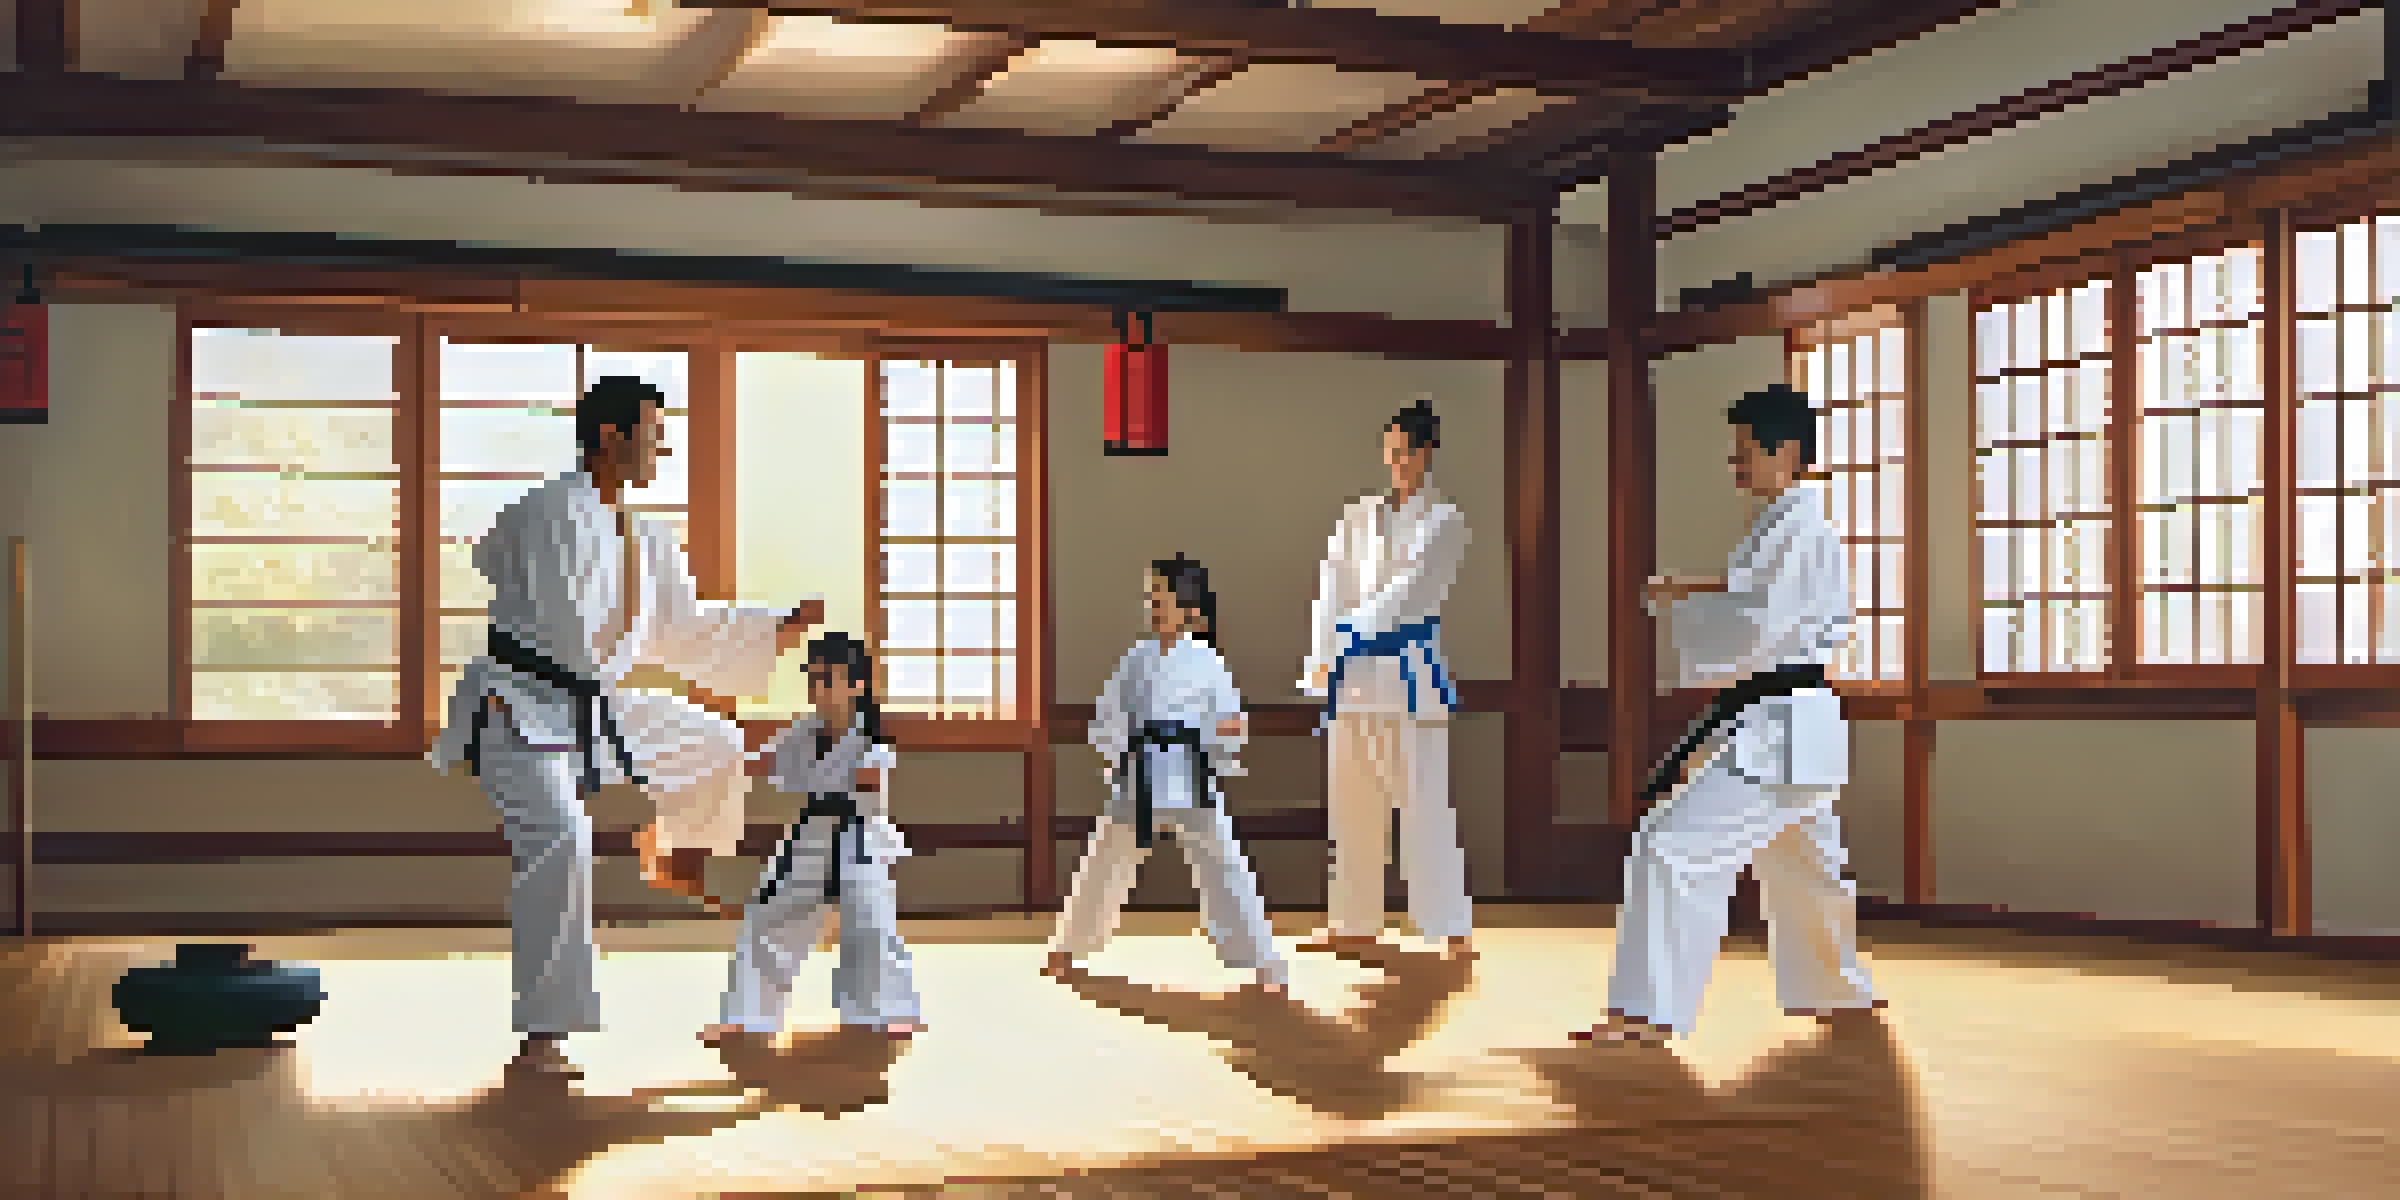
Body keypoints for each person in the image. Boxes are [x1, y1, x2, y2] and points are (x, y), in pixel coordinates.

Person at [427, 374, 819, 1075]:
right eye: (655, 434)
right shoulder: (545, 511)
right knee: (561, 839)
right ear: (612, 435)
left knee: (716, 741)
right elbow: (535, 601)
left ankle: (673, 851)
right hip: (519, 702)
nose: (663, 449)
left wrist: (774, 627)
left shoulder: (647, 538)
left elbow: (683, 629)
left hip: (594, 700)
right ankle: (544, 1033)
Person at [1574, 383, 1882, 1046]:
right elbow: (1754, 597)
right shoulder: (1783, 527)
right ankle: (1837, 988)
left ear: (1786, 452)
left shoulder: (1802, 530)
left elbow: (1756, 622)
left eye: (1746, 451)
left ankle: (1645, 1012)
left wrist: (1685, 602)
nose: (1735, 464)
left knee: (1670, 846)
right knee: (1807, 867)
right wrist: (1692, 589)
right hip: (1790, 727)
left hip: (1783, 732)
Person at [1045, 555, 1290, 994]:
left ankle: (1264, 962)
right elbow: (1108, 716)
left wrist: (1213, 739)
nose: (1153, 605)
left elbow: (1231, 720)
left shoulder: (1207, 661)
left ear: (1189, 608)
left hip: (1189, 772)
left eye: (1162, 597)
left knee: (1225, 865)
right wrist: (1119, 754)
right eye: (1150, 597)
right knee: (1104, 862)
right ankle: (1066, 950)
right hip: (1140, 773)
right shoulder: (1135, 659)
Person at [1299, 397, 1474, 958]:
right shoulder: (1357, 517)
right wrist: (1324, 652)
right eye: (1391, 452)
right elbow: (1331, 586)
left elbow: (1411, 593)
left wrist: (1349, 631)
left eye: (1406, 453)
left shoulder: (1445, 521)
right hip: (1351, 678)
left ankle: (1449, 926)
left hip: (1406, 676)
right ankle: (1353, 920)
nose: (1396, 462)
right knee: (1351, 802)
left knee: (1423, 804)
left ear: (1426, 455)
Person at [704, 632, 921, 1045]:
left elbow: (871, 782)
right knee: (766, 915)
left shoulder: (869, 739)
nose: (818, 688)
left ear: (856, 684)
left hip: (858, 836)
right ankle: (748, 1016)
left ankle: (886, 1011)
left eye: (827, 678)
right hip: (812, 834)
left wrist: (862, 778)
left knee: (870, 922)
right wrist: (722, 759)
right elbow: (763, 762)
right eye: (813, 678)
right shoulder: (802, 732)